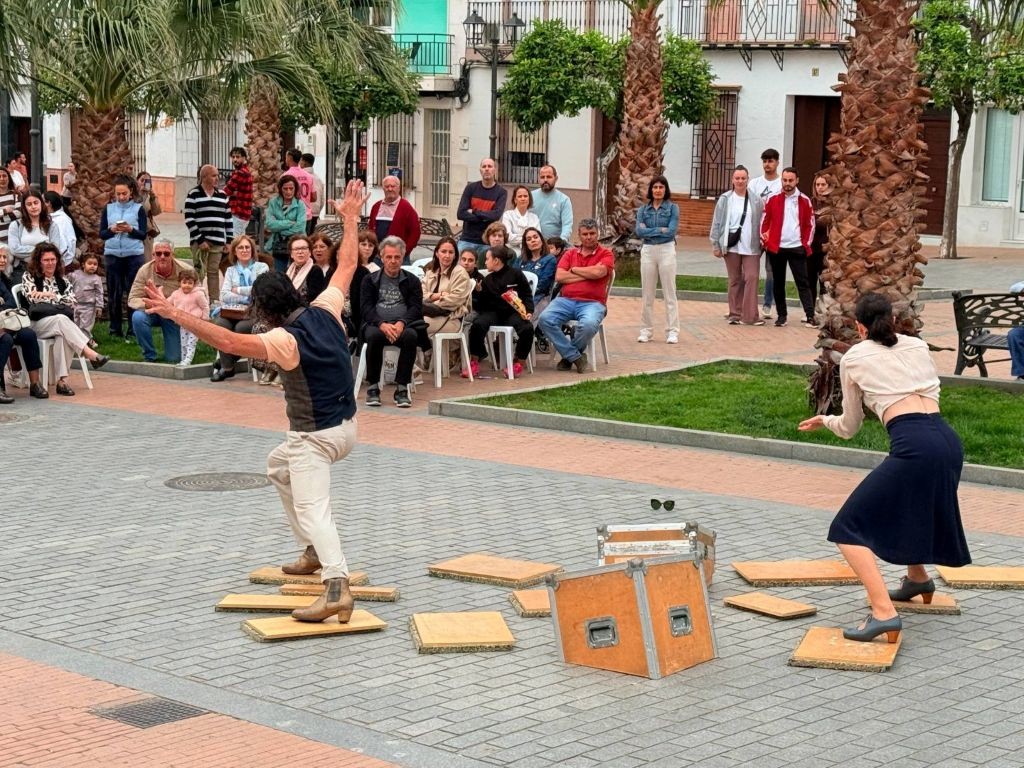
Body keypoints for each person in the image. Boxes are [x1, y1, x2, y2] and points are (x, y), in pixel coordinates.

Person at [144, 179, 370, 624]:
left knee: (314, 507)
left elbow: (228, 338)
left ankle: (337, 588)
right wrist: (349, 216)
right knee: (276, 466)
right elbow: (347, 264)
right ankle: (310, 549)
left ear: (266, 309)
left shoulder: (285, 339)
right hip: (347, 428)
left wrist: (174, 313)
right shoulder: (324, 307)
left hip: (316, 438)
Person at [798, 292, 971, 643]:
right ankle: (918, 578)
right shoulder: (916, 346)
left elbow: (850, 426)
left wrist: (825, 420)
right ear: (891, 320)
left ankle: (883, 613)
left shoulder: (855, 357)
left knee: (847, 529)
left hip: (914, 445)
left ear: (860, 326)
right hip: (948, 442)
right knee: (914, 507)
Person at [20, 243, 109, 395]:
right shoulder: (29, 277)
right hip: (36, 324)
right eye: (46, 260)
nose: (50, 263)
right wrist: (59, 299)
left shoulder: (62, 280)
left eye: (53, 259)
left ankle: (63, 381)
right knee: (62, 319)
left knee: (63, 333)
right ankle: (90, 353)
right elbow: (32, 299)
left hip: (59, 325)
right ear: (39, 261)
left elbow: (73, 302)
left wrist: (51, 296)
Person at [537, 219, 614, 373]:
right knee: (545, 319)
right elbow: (559, 276)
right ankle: (575, 356)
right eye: (585, 234)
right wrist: (589, 274)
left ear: (598, 234)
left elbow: (599, 272)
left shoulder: (606, 253)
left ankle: (568, 357)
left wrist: (573, 270)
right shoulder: (570, 253)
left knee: (588, 325)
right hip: (565, 300)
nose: (589, 237)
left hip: (593, 303)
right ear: (579, 235)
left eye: (592, 233)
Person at [359, 235, 425, 408]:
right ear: (381, 257)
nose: (393, 261)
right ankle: (373, 387)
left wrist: (401, 323)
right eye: (389, 257)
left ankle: (402, 388)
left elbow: (416, 308)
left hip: (403, 325)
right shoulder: (369, 280)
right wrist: (381, 324)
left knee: (411, 337)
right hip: (377, 324)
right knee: (373, 337)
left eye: (397, 257)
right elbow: (365, 308)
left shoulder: (412, 281)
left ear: (403, 257)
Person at [465, 244, 534, 379]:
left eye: (487, 259)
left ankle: (519, 362)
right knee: (478, 324)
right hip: (493, 313)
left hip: (513, 312)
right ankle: (474, 360)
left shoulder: (516, 274)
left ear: (496, 260)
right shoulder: (488, 279)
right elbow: (482, 304)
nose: (485, 262)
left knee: (527, 328)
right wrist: (479, 292)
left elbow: (527, 294)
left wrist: (529, 311)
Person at [760, 167, 816, 328]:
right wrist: (765, 240)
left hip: (797, 247)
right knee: (778, 283)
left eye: (791, 180)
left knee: (803, 282)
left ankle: (810, 315)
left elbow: (810, 224)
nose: (787, 183)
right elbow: (764, 221)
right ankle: (782, 316)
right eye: (785, 180)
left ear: (797, 180)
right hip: (777, 248)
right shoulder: (773, 199)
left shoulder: (804, 200)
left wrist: (806, 244)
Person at [710, 165, 766, 326]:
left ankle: (750, 316)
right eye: (737, 178)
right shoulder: (725, 199)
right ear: (732, 180)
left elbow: (762, 222)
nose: (740, 181)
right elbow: (717, 222)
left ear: (748, 180)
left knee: (751, 277)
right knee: (735, 279)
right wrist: (715, 244)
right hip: (731, 245)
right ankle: (735, 313)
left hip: (752, 246)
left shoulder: (756, 200)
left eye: (743, 178)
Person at [210, 234, 268, 382]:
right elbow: (225, 295)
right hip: (232, 311)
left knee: (240, 329)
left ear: (252, 250)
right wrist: (246, 295)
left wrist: (238, 290)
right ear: (235, 251)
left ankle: (225, 363)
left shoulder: (262, 267)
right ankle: (228, 367)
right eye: (240, 247)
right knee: (220, 326)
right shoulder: (230, 271)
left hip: (255, 310)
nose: (244, 250)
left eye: (247, 247)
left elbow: (260, 290)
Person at [127, 239, 194, 363]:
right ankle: (149, 355)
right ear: (153, 255)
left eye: (166, 253)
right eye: (158, 254)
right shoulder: (144, 270)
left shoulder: (186, 270)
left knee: (174, 359)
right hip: (152, 311)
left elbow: (198, 294)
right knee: (137, 317)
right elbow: (132, 299)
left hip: (173, 315)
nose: (162, 257)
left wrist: (176, 309)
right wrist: (152, 304)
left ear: (173, 255)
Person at [100, 176, 147, 337]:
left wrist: (130, 230)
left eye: (124, 193)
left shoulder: (138, 209)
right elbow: (102, 234)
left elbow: (143, 234)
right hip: (113, 255)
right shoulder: (108, 209)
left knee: (132, 292)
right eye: (118, 194)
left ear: (131, 192)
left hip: (133, 255)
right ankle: (115, 328)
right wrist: (111, 230)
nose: (121, 197)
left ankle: (134, 329)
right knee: (114, 293)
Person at [635, 175, 680, 344]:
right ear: (651, 190)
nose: (658, 190)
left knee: (669, 292)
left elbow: (671, 231)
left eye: (661, 187)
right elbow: (639, 232)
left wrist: (651, 230)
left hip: (666, 249)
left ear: (665, 189)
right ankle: (646, 330)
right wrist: (659, 229)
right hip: (648, 250)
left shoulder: (673, 208)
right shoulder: (643, 210)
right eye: (655, 187)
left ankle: (672, 330)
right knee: (647, 294)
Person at [0, 247, 47, 402]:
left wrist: (3, 305)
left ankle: (35, 384)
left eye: (4, 257)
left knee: (28, 335)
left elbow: (12, 301)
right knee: (5, 339)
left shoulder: (5, 278)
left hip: (7, 322)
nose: (2, 260)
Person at [184, 164, 231, 300]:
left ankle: (214, 301)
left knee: (213, 272)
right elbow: (189, 218)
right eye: (214, 175)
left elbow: (228, 219)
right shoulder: (193, 194)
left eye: (217, 175)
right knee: (199, 272)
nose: (218, 178)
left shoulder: (222, 195)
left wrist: (229, 241)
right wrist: (200, 240)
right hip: (199, 243)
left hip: (217, 242)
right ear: (204, 177)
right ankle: (196, 299)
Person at [749, 149, 781, 319]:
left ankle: (768, 304)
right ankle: (745, 304)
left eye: (770, 161)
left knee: (771, 270)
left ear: (777, 162)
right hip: (755, 230)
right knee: (750, 269)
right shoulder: (754, 184)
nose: (767, 164)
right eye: (765, 161)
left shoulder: (781, 184)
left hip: (772, 232)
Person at [420, 236, 471, 341]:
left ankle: (427, 354)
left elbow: (454, 300)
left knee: (416, 326)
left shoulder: (460, 273)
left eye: (451, 252)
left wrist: (429, 305)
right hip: (430, 315)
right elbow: (420, 295)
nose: (447, 256)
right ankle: (426, 354)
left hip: (451, 319)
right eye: (443, 251)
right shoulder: (431, 272)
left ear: (455, 255)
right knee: (409, 324)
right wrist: (438, 295)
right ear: (436, 253)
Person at [457, 158, 507, 260]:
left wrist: (475, 211)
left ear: (495, 170)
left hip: (487, 242)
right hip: (467, 240)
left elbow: (496, 215)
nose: (487, 169)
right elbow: (461, 214)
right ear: (480, 170)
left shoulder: (501, 192)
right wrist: (485, 217)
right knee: (460, 270)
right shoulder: (470, 188)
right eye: (484, 166)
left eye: (490, 166)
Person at [368, 175, 420, 259]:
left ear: (398, 188)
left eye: (393, 186)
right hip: (378, 256)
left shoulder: (406, 207)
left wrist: (405, 251)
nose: (390, 189)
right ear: (383, 188)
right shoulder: (376, 206)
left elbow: (415, 232)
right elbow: (370, 229)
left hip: (398, 257)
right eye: (387, 186)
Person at [168, 269, 209, 366]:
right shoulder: (176, 294)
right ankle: (183, 359)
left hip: (195, 323)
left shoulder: (198, 294)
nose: (187, 285)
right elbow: (167, 303)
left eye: (190, 283)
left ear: (194, 284)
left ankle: (188, 360)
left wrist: (205, 320)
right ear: (180, 283)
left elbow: (205, 307)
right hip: (183, 323)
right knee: (184, 342)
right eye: (184, 282)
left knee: (191, 342)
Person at [264, 176, 306, 273]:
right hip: (278, 245)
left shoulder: (300, 205)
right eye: (285, 189)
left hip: (297, 244)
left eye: (291, 188)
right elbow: (270, 224)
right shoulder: (273, 202)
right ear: (280, 189)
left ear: (295, 189)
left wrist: (280, 228)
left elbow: (300, 227)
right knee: (279, 274)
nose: (288, 192)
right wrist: (289, 223)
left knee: (296, 273)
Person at [519, 226, 557, 319]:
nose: (533, 240)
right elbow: (512, 278)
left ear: (541, 240)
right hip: (519, 296)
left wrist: (525, 294)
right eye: (529, 239)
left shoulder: (550, 259)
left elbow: (544, 284)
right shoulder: (520, 260)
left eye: (535, 237)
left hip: (540, 296)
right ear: (526, 244)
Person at [68, 253, 104, 345]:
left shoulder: (96, 279)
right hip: (75, 304)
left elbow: (99, 293)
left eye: (95, 264)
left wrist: (99, 306)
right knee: (75, 324)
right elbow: (67, 284)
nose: (92, 266)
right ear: (83, 264)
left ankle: (86, 342)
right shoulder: (75, 275)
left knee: (86, 326)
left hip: (89, 307)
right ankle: (78, 341)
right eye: (90, 263)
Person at [809, 171, 832, 311]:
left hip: (828, 248)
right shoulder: (810, 202)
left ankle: (824, 309)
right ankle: (810, 311)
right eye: (818, 184)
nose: (820, 187)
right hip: (812, 247)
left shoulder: (834, 204)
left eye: (823, 184)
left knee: (825, 281)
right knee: (810, 280)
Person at [530, 164, 573, 240]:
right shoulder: (530, 197)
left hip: (555, 246)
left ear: (556, 179)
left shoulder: (564, 200)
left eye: (549, 177)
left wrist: (560, 242)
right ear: (538, 179)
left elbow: (567, 225)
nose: (545, 180)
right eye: (542, 177)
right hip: (534, 244)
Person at [224, 147, 254, 238]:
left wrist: (232, 192)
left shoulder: (240, 173)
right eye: (233, 157)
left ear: (244, 158)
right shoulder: (245, 171)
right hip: (243, 213)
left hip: (238, 212)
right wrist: (234, 192)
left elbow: (226, 191)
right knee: (240, 239)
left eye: (238, 157)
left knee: (235, 241)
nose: (235, 159)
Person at [282, 148, 316, 230]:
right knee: (305, 242)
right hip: (306, 216)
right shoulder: (309, 176)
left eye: (286, 157)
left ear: (289, 158)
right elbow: (314, 197)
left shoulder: (285, 176)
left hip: (290, 217)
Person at [501, 185, 540, 255]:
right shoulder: (508, 215)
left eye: (525, 196)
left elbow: (538, 238)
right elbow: (508, 238)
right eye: (520, 196)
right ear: (515, 200)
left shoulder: (534, 217)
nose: (523, 198)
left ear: (529, 199)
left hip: (531, 253)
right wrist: (528, 239)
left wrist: (516, 236)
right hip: (512, 253)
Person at [42, 191, 77, 266]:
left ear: (48, 203)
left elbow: (64, 244)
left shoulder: (62, 220)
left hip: (60, 263)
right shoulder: (49, 218)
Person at [136, 171, 163, 261]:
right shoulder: (132, 195)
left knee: (146, 260)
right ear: (137, 181)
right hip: (135, 232)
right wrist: (140, 193)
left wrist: (152, 196)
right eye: (142, 180)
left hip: (147, 234)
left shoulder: (150, 197)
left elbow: (156, 211)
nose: (144, 183)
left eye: (147, 181)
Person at [285, 235, 317, 304]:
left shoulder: (315, 270)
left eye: (303, 248)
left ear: (310, 252)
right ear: (291, 254)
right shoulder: (287, 270)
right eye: (296, 249)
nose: (300, 252)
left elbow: (313, 298)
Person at [0, 169, 21, 276]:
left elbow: (18, 214)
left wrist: (1, 218)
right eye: (0, 176)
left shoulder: (15, 195)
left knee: (10, 271)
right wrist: (4, 210)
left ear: (9, 178)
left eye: (4, 176)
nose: (2, 179)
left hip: (12, 240)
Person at [307, 232, 336, 303]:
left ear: (330, 249)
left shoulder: (335, 269)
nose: (318, 250)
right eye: (314, 247)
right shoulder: (307, 268)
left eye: (322, 247)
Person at [300, 153, 325, 234]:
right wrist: (318, 211)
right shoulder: (318, 179)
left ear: (304, 163)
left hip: (305, 213)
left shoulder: (301, 177)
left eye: (300, 161)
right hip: (315, 212)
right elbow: (322, 199)